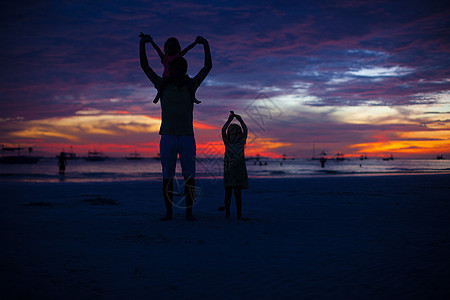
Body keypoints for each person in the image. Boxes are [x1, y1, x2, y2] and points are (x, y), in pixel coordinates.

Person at [140, 32, 212, 221]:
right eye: (176, 68)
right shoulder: (162, 85)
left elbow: (207, 67)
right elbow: (145, 67)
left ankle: (189, 212)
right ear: (171, 70)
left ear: (185, 70)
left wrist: (205, 44)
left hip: (187, 136)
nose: (179, 71)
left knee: (189, 176)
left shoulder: (191, 85)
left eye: (182, 68)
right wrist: (144, 44)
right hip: (168, 136)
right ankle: (169, 212)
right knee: (168, 176)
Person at [139, 33, 201, 104]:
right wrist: (151, 42)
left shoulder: (179, 55)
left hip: (180, 77)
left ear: (177, 49)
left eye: (174, 48)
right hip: (167, 76)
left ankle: (193, 97)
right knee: (163, 83)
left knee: (190, 82)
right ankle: (158, 95)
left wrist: (195, 42)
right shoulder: (165, 57)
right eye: (169, 48)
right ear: (166, 49)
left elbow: (188, 48)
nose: (172, 50)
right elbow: (157, 49)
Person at [222, 111, 249, 219]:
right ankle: (233, 214)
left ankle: (233, 214)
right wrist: (238, 119)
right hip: (234, 171)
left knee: (233, 194)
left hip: (234, 171)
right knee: (233, 194)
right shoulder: (239, 143)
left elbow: (223, 130)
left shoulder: (231, 144)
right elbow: (245, 130)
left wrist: (232, 120)